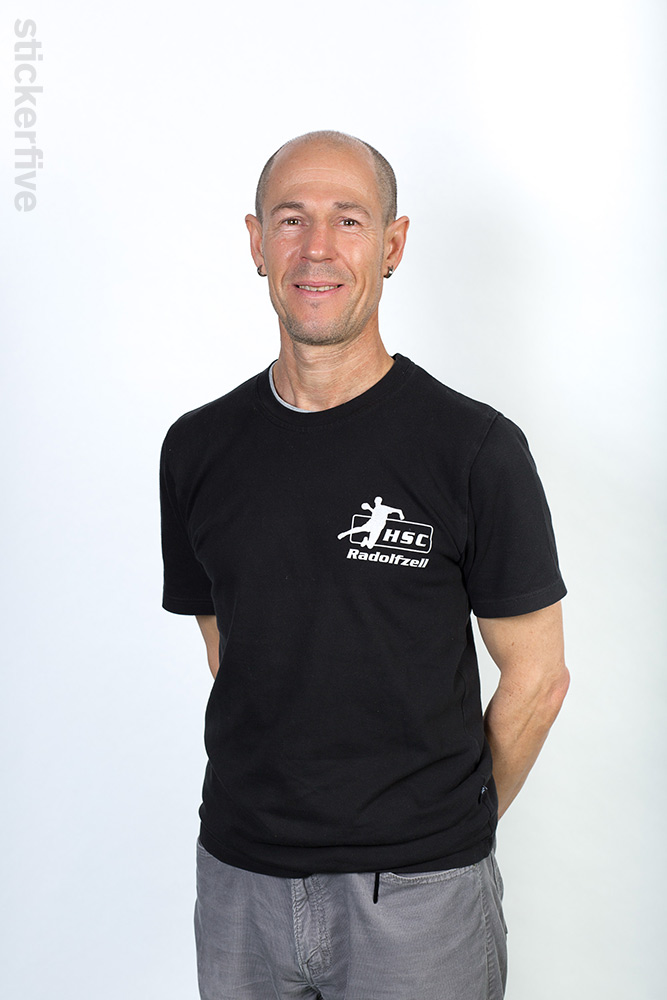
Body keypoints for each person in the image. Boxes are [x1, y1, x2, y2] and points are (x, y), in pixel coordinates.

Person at [159, 130, 570, 1000]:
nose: (316, 248)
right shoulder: (197, 448)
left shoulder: (473, 449)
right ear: (255, 242)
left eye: (348, 220)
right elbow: (231, 649)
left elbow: (537, 679)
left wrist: (446, 836)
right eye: (290, 219)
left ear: (391, 245)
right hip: (239, 883)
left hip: (419, 900)